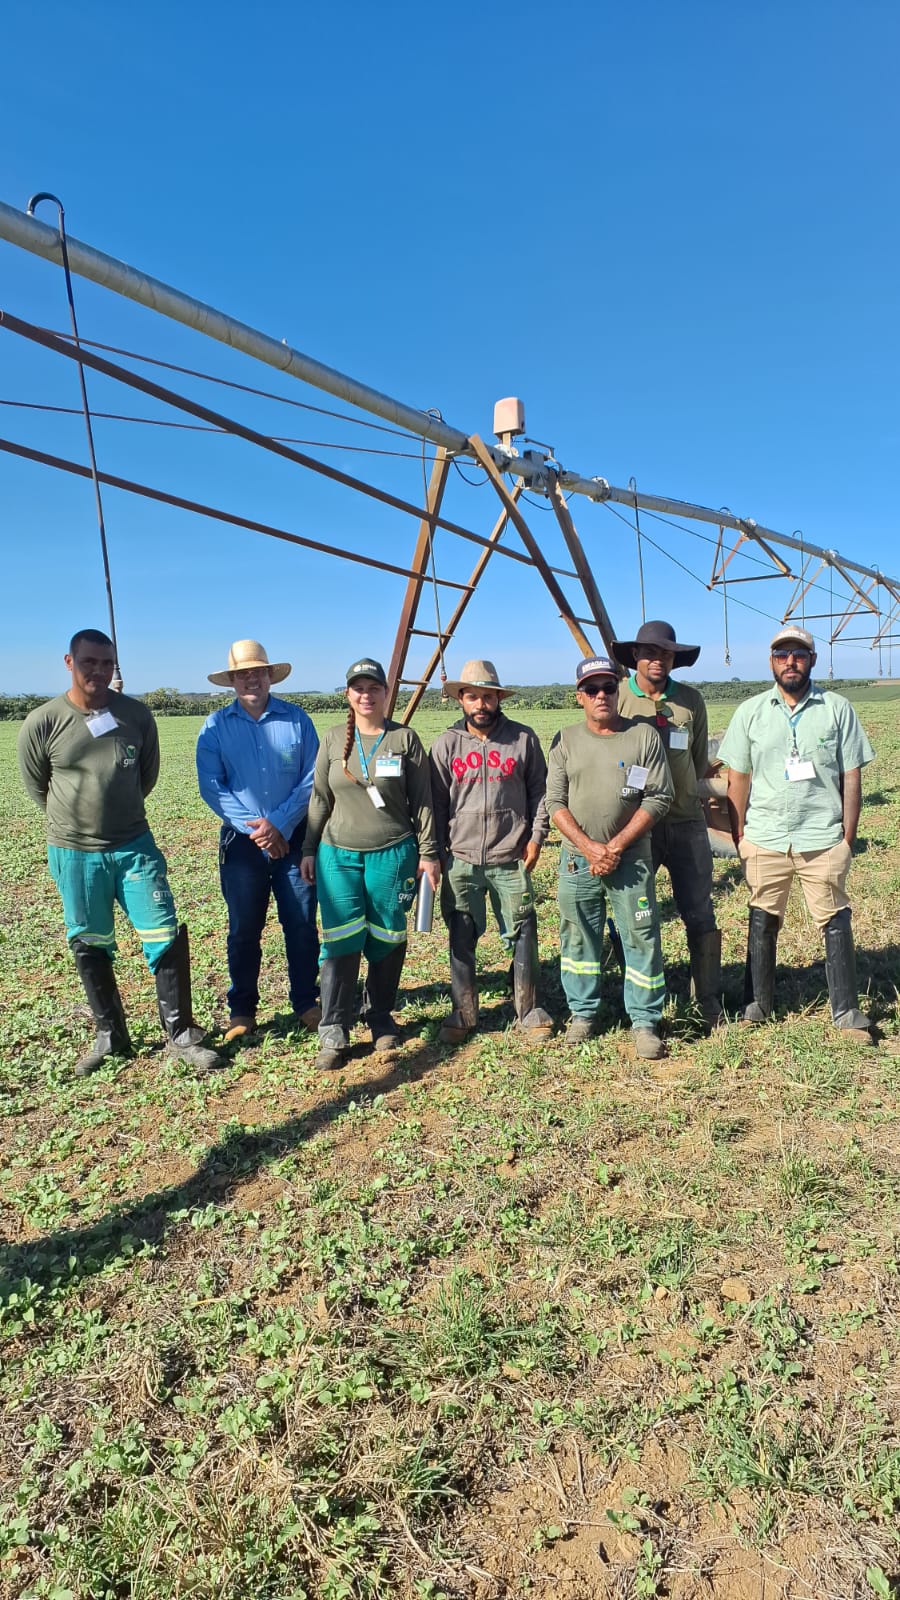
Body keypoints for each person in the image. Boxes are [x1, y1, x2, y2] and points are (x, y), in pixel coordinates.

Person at [17, 628, 222, 1076]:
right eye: (89, 662)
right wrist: (77, 823)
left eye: (107, 662)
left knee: (163, 930)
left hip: (134, 846)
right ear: (69, 663)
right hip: (75, 853)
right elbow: (37, 785)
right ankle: (111, 1036)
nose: (99, 670)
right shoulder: (43, 721)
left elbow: (145, 777)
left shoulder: (136, 715)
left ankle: (182, 1035)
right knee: (89, 939)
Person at [718, 625, 876, 1042]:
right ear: (771, 662)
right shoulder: (750, 711)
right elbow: (738, 778)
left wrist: (847, 838)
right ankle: (756, 1005)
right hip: (765, 835)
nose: (791, 662)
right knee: (763, 916)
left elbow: (851, 776)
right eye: (782, 655)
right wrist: (740, 836)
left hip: (821, 836)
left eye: (799, 654)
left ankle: (847, 1012)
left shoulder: (837, 709)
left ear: (812, 661)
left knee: (835, 918)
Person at [300, 657, 440, 1071]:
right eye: (358, 688)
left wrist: (429, 853)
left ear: (385, 692)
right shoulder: (332, 739)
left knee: (388, 936)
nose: (366, 695)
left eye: (373, 688)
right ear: (348, 694)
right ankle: (334, 1028)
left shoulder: (404, 739)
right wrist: (308, 848)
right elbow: (320, 799)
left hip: (393, 853)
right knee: (341, 939)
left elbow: (424, 802)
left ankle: (379, 1016)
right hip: (337, 855)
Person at [545, 654, 673, 1059]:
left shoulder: (643, 736)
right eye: (592, 689)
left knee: (641, 935)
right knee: (578, 934)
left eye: (608, 687)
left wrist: (615, 846)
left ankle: (645, 1021)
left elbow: (659, 796)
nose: (601, 695)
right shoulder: (565, 740)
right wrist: (589, 847)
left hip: (630, 859)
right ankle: (583, 1014)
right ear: (579, 696)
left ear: (618, 691)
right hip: (577, 860)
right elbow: (554, 801)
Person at [196, 639, 320, 1042]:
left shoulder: (297, 720)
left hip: (293, 840)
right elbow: (212, 787)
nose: (251, 679)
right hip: (241, 844)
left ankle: (307, 1002)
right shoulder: (215, 727)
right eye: (242, 674)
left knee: (301, 924)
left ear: (270, 676)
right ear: (232, 681)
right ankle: (242, 1011)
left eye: (258, 672)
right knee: (243, 929)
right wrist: (260, 831)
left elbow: (312, 779)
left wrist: (279, 825)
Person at [429, 659, 553, 1044]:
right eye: (472, 697)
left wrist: (536, 838)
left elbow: (541, 793)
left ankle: (528, 1010)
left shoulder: (522, 739)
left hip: (511, 855)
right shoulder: (446, 745)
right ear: (461, 700)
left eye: (487, 697)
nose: (480, 704)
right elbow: (436, 804)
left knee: (523, 928)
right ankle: (463, 1012)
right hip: (461, 857)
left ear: (499, 698)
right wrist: (436, 852)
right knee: (461, 931)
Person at [613, 619, 724, 1028]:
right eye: (649, 652)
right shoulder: (618, 697)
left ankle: (707, 999)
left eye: (666, 653)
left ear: (675, 659)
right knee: (634, 914)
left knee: (699, 910)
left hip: (685, 821)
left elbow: (697, 761)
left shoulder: (691, 701)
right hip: (635, 823)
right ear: (635, 656)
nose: (657, 659)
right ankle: (636, 996)